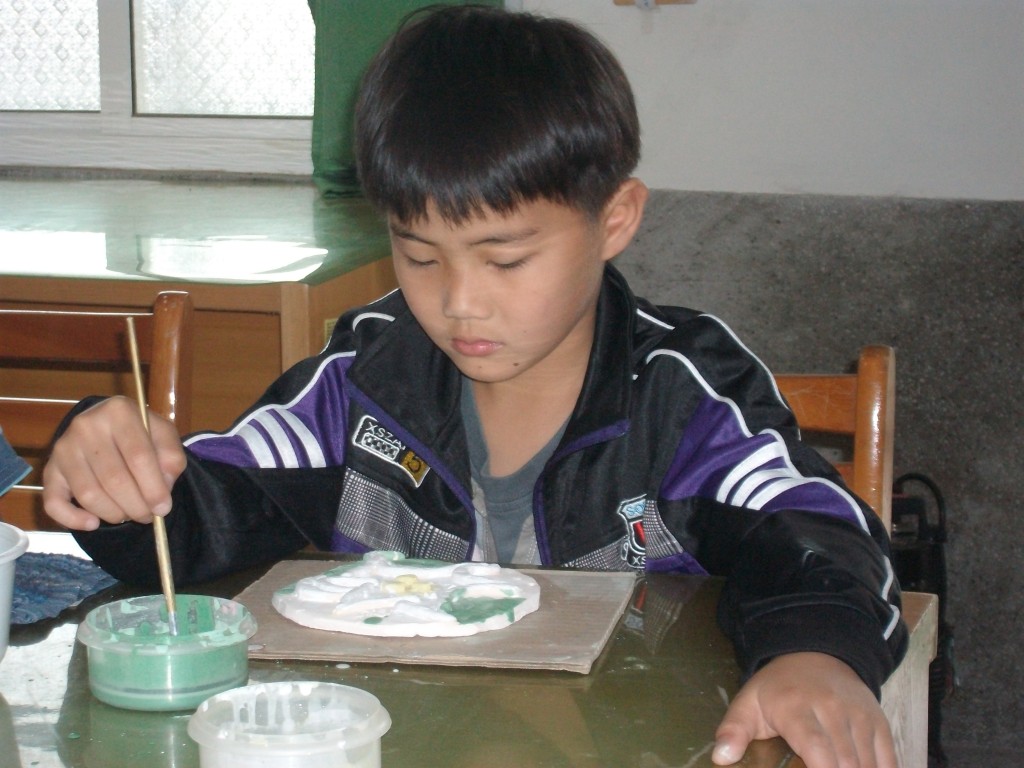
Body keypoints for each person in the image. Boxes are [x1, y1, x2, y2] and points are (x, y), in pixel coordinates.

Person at [43, 6, 907, 767]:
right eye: (419, 255)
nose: (459, 303)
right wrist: (119, 478)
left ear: (615, 220)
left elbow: (816, 531)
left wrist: (816, 651)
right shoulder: (362, 380)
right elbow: (207, 515)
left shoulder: (682, 397)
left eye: (506, 259)